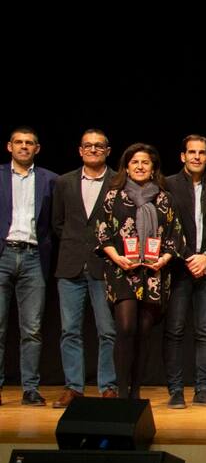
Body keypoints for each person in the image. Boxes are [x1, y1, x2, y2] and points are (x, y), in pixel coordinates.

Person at [94, 143, 184, 400]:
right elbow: (102, 233)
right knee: (125, 328)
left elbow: (175, 235)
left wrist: (164, 259)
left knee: (144, 333)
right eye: (135, 162)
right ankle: (121, 390)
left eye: (146, 162)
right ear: (127, 167)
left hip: (154, 274)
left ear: (153, 167)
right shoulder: (114, 195)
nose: (141, 166)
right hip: (123, 271)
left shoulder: (164, 198)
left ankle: (135, 391)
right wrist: (118, 258)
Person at [162, 135, 206, 408]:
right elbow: (166, 227)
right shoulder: (167, 185)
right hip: (179, 267)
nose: (196, 157)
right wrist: (190, 256)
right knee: (175, 330)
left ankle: (202, 388)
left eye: (202, 152)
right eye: (192, 152)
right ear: (183, 156)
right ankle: (176, 390)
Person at [51, 129, 117, 405]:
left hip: (104, 266)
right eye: (88, 146)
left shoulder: (118, 181)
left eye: (98, 146)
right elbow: (57, 223)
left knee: (108, 331)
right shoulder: (64, 182)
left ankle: (108, 386)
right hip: (70, 265)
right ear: (80, 150)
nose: (93, 150)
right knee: (70, 330)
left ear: (107, 150)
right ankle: (74, 386)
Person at [0, 127, 56, 406]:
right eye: (19, 142)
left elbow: (57, 222)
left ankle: (30, 389)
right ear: (9, 147)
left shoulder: (50, 180)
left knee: (32, 328)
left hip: (34, 257)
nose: (24, 147)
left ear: (37, 148)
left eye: (29, 143)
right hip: (3, 255)